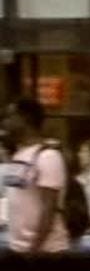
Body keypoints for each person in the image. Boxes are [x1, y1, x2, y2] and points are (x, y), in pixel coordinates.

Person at [0, 97, 70, 253]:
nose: (5, 122)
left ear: (26, 119)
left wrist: (34, 249)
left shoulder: (47, 156)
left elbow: (48, 209)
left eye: (9, 116)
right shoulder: (18, 155)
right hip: (18, 248)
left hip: (45, 251)